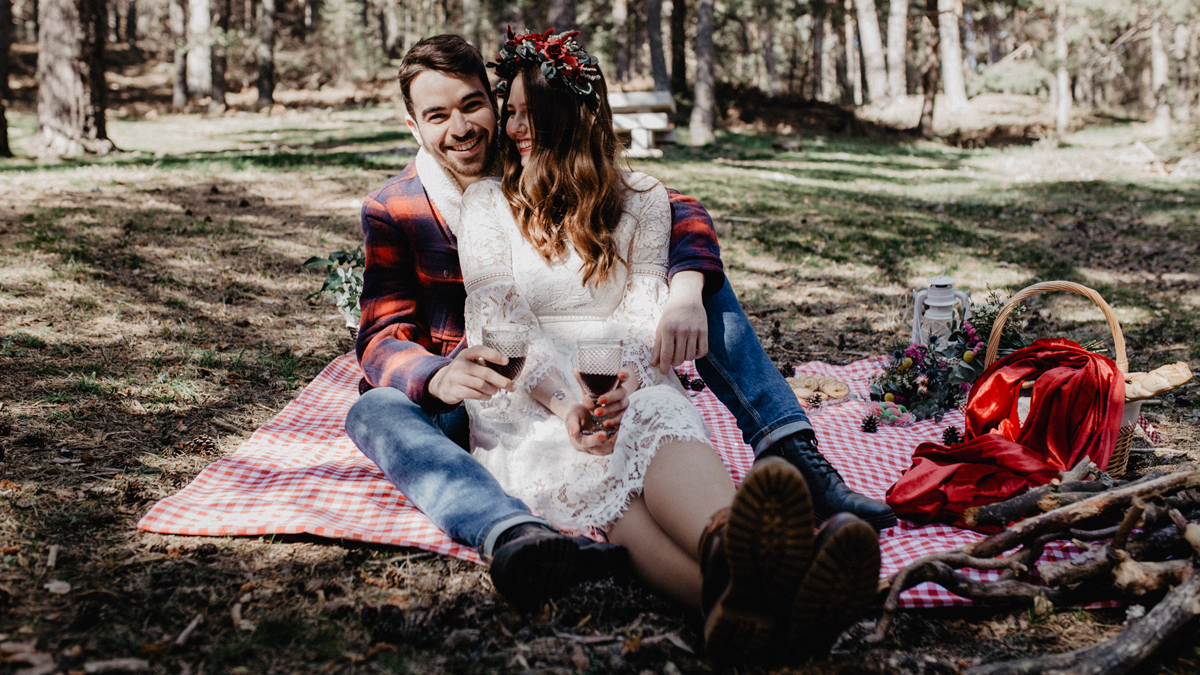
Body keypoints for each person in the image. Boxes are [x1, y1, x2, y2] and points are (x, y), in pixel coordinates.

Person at [343, 32, 891, 614]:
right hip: (481, 388)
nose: (462, 128)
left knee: (695, 293)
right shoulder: (399, 205)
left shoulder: (529, 149)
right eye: (437, 115)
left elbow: (670, 207)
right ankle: (518, 532)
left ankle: (778, 459)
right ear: (413, 126)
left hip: (601, 368)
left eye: (474, 105)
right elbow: (382, 334)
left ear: (494, 102)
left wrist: (681, 294)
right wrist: (435, 375)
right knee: (373, 409)